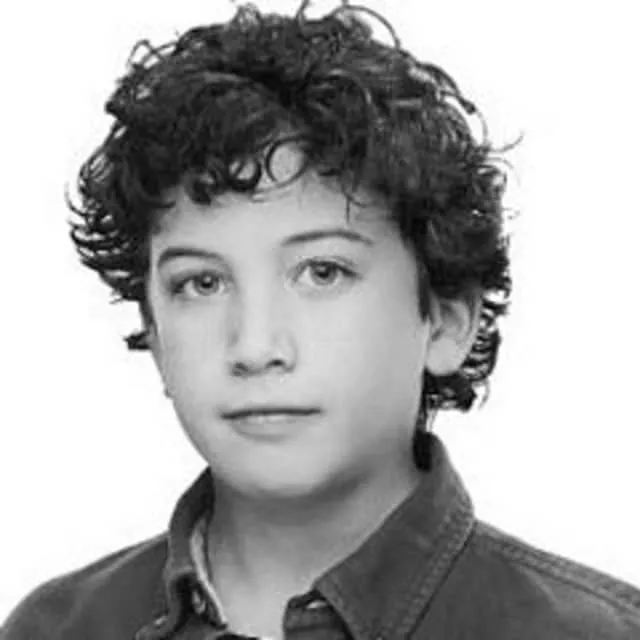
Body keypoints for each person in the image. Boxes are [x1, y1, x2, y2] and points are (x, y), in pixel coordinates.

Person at [2, 2, 639, 638]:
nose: (256, 346)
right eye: (202, 283)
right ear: (157, 333)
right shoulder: (55, 629)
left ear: (446, 321)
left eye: (323, 273)